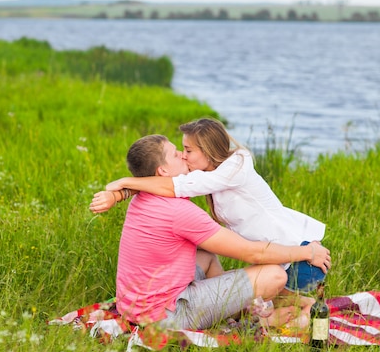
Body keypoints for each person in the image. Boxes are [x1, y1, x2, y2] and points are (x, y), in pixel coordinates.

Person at [90, 134, 331, 330]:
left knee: (205, 256)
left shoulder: (144, 197)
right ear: (163, 171)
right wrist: (306, 251)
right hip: (165, 317)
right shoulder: (180, 212)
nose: (183, 156)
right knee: (274, 275)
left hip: (134, 307)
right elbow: (252, 253)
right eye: (176, 154)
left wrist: (120, 192)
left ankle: (242, 308)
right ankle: (253, 320)